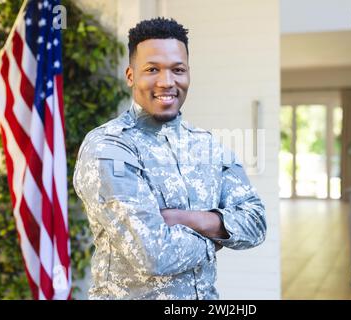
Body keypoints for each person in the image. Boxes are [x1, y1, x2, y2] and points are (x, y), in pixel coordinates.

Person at [73, 17, 266, 300]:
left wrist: (187, 219)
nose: (167, 82)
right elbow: (154, 255)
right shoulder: (109, 147)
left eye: (178, 70)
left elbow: (256, 223)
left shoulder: (207, 144)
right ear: (130, 75)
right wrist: (218, 235)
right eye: (152, 69)